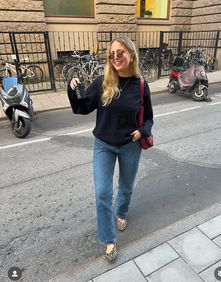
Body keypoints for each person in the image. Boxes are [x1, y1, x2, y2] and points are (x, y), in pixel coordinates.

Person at [68, 36, 153, 261]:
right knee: (103, 193)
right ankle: (108, 240)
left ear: (131, 55)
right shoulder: (103, 81)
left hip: (130, 146)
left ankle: (122, 212)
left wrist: (142, 132)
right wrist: (72, 90)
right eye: (111, 54)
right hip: (104, 145)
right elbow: (81, 108)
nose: (115, 57)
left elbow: (149, 119)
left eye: (120, 53)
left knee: (126, 186)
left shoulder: (141, 85)